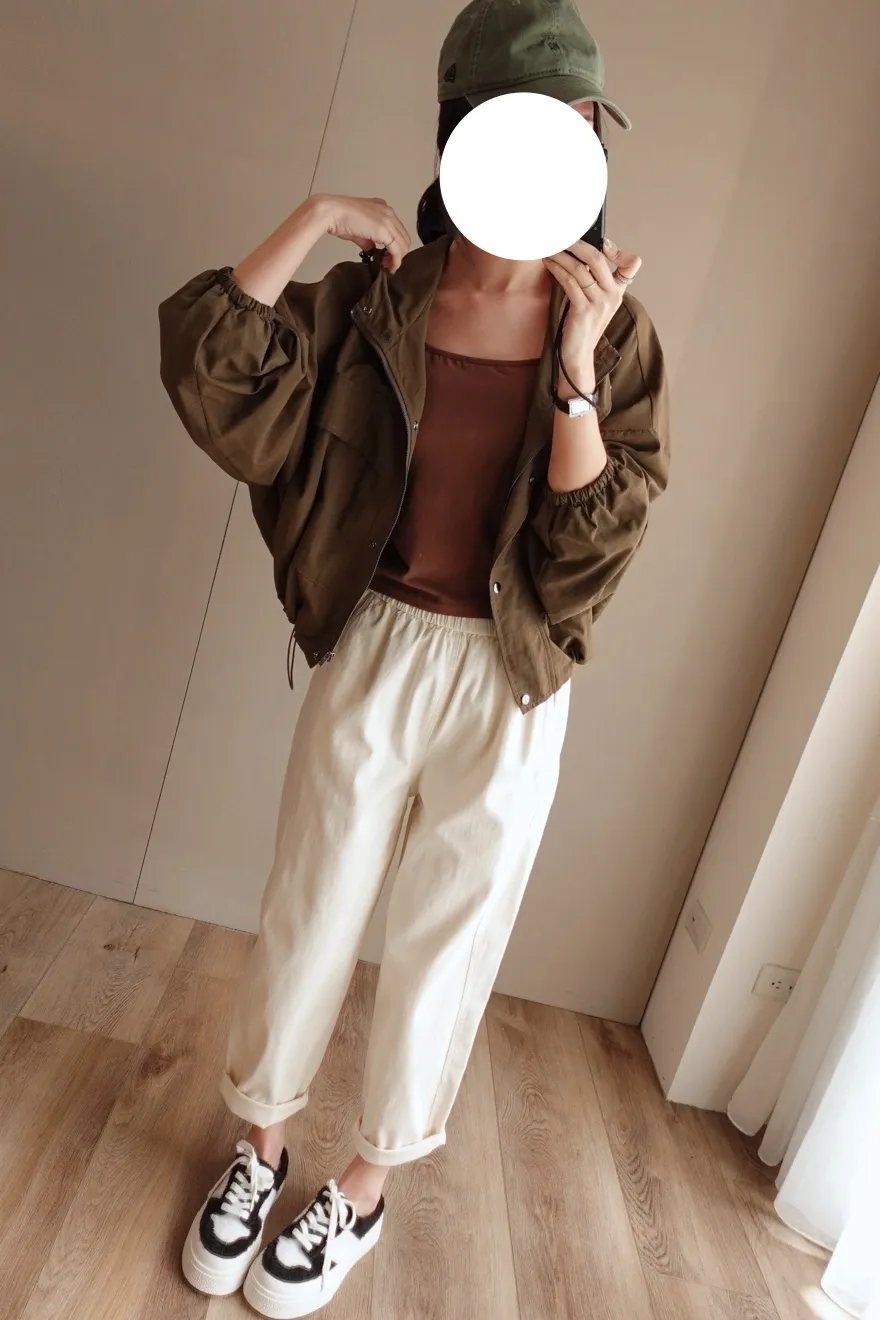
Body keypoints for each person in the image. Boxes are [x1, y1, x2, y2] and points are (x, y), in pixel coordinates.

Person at [159, 1, 670, 1314]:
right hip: (379, 640)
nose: (562, 148)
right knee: (310, 907)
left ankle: (366, 1187)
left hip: (511, 675)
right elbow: (217, 373)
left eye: (581, 127)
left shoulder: (614, 331)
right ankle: (259, 1151)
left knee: (449, 941)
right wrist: (318, 216)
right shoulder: (375, 300)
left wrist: (574, 374)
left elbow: (589, 555)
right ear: (464, 133)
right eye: (532, 121)